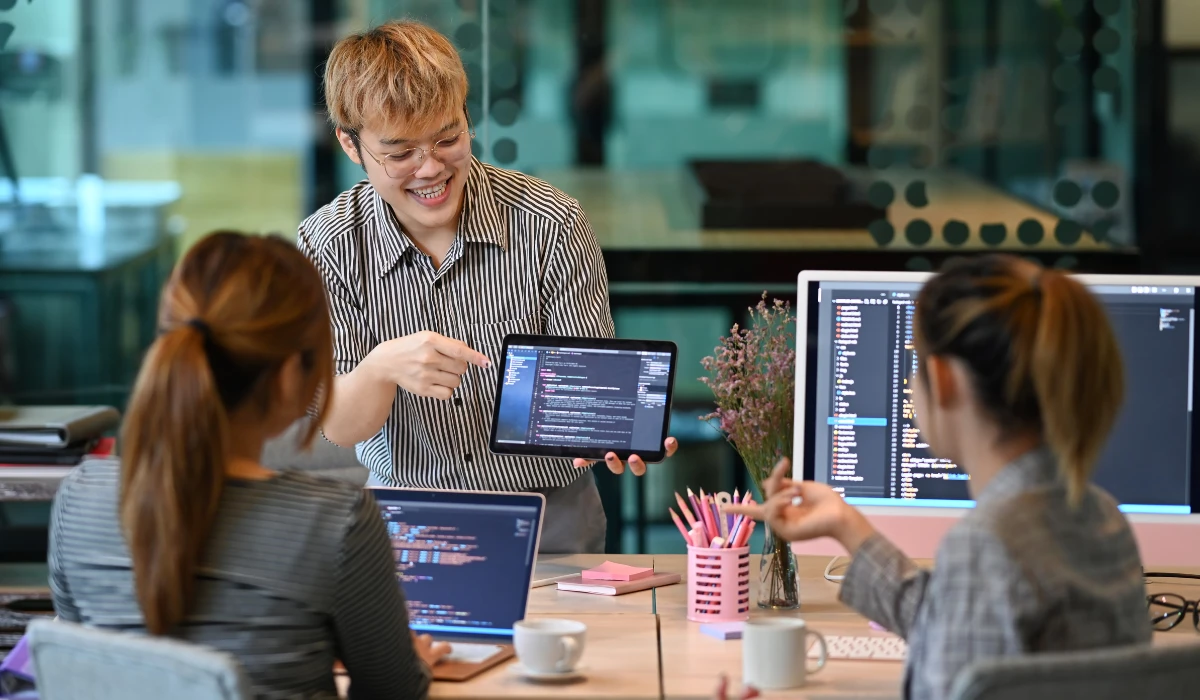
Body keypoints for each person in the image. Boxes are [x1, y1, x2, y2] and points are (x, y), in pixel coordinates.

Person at [298, 20, 674, 554]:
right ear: (350, 145)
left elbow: (588, 393)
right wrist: (383, 368)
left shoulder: (552, 223)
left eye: (448, 138)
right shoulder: (327, 244)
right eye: (400, 153)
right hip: (411, 519)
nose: (431, 168)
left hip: (551, 516)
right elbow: (340, 427)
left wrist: (614, 431)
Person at [727, 255, 1150, 700]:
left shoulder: (987, 545)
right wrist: (846, 526)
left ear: (942, 378)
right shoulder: (1104, 518)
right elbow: (956, 625)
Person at [49, 232, 447, 700]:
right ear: (286, 378)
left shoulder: (79, 498)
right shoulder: (337, 521)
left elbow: (87, 672)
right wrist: (412, 665)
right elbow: (392, 693)